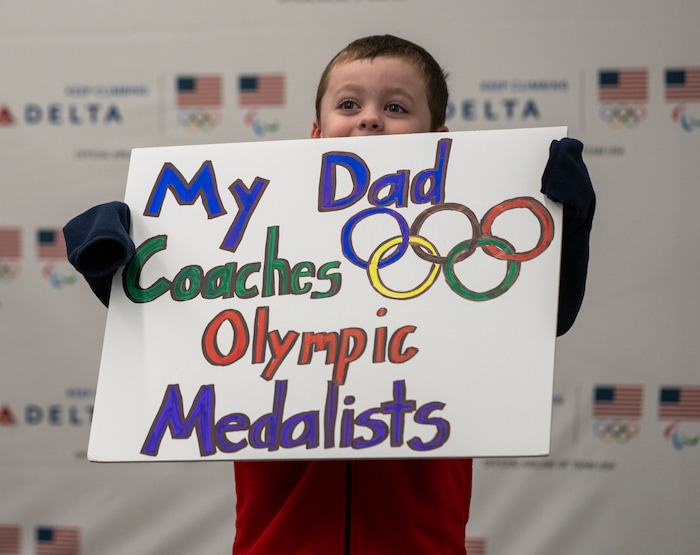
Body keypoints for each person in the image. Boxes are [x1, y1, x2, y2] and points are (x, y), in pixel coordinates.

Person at [64, 35, 595, 555]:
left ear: (441, 137)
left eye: (395, 106)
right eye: (349, 103)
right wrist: (111, 263)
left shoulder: (459, 247)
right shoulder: (254, 252)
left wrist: (567, 229)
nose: (369, 118)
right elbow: (181, 330)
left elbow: (545, 316)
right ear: (317, 134)